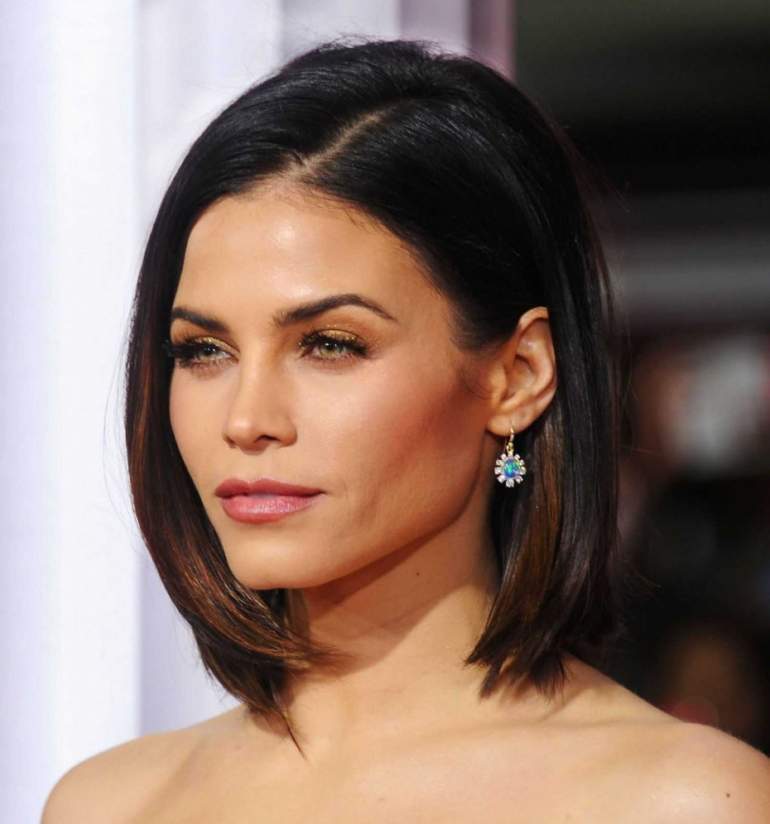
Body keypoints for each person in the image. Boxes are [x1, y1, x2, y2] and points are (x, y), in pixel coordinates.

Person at [42, 36, 770, 822]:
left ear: (518, 376)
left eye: (330, 345)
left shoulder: (688, 802)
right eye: (204, 351)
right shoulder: (107, 805)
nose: (246, 420)